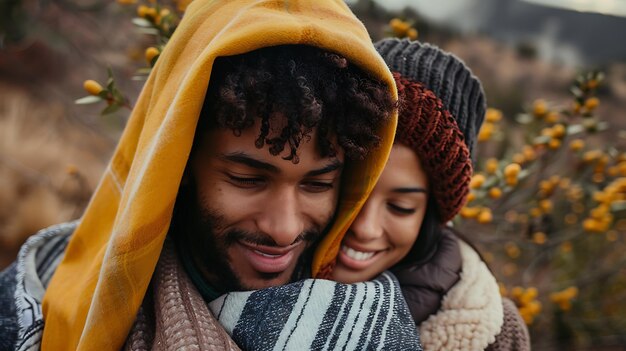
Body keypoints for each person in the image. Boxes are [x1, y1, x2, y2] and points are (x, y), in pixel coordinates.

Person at [0, 0, 406, 349]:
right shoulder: (37, 300)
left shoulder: (381, 321)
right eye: (248, 179)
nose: (283, 230)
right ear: (180, 159)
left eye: (318, 184)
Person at [332, 38, 531, 351]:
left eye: (400, 207)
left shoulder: (495, 336)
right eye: (352, 190)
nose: (364, 228)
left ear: (431, 214)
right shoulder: (254, 266)